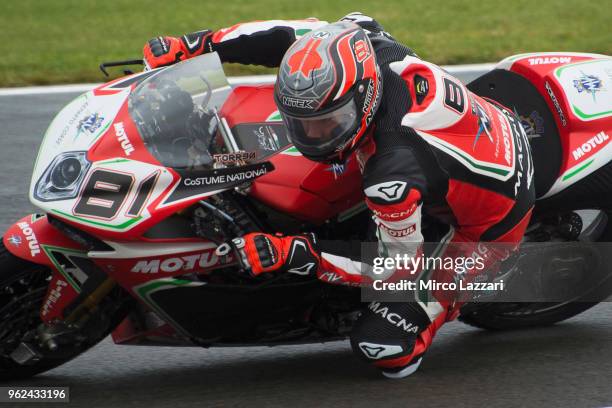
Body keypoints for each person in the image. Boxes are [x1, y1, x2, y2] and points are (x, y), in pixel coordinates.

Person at [143, 12, 535, 378]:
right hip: (470, 134)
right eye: (302, 123)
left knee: (382, 346)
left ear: (363, 99)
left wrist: (297, 253)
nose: (309, 135)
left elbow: (394, 270)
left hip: (487, 226)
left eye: (326, 124)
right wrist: (199, 45)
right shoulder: (359, 41)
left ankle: (444, 306)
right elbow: (284, 35)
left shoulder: (392, 173)